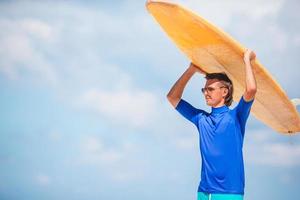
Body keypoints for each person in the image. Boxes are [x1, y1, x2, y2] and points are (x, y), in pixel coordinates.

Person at [166, 49, 257, 200]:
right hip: (204, 192)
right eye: (204, 89)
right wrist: (191, 70)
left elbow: (251, 89)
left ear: (225, 92)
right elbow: (172, 98)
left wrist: (247, 59)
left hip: (229, 193)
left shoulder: (236, 116)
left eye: (210, 89)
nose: (206, 93)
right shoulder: (201, 119)